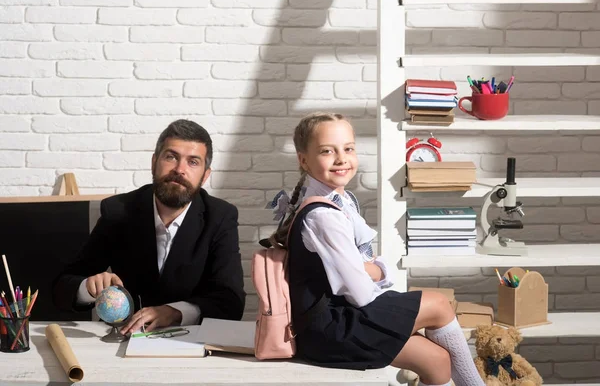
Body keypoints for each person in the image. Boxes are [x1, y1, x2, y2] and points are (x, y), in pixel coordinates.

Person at [269, 112, 484, 386]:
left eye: (348, 149)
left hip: (338, 317)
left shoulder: (338, 201)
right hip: (330, 329)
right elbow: (360, 293)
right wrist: (376, 270)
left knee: (437, 359)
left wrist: (368, 271)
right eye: (327, 151)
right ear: (303, 160)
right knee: (440, 305)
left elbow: (356, 274)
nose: (341, 159)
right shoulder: (323, 216)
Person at [53, 119, 245, 334]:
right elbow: (62, 287)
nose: (179, 169)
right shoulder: (118, 211)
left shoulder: (220, 217)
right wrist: (88, 287)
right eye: (171, 157)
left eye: (193, 162)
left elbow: (231, 301)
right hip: (126, 340)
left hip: (191, 343)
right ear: (154, 162)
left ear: (205, 175)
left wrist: (174, 311)